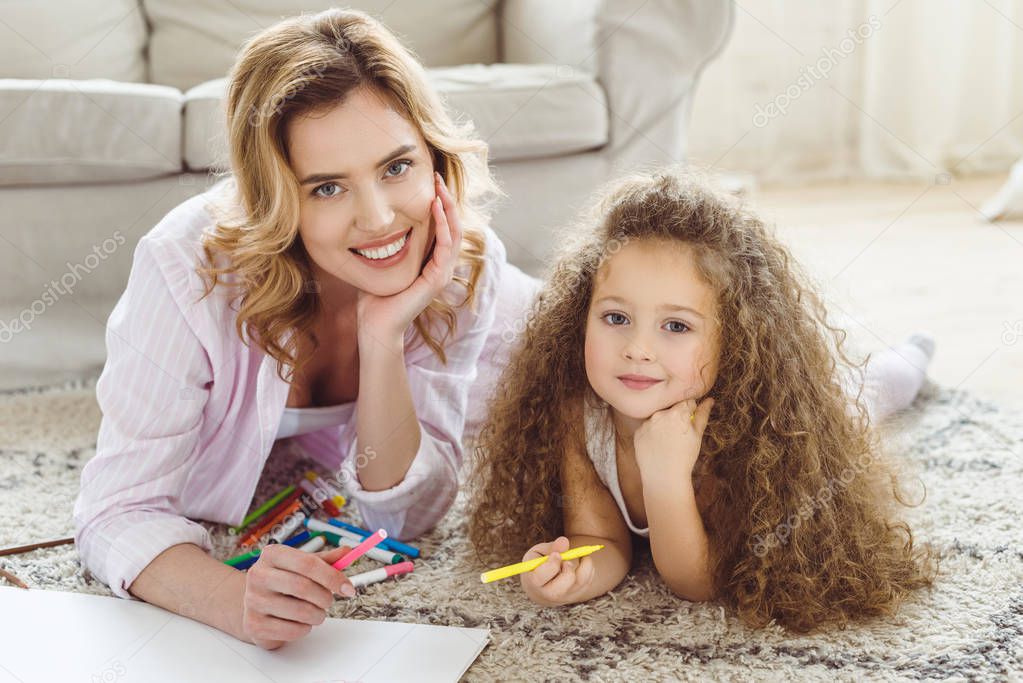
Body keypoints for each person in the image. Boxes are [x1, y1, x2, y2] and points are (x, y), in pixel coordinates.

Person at [74, 8, 536, 649]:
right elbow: (113, 512)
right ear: (275, 197)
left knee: (593, 351)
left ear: (432, 157)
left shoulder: (460, 265)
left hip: (504, 318)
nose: (377, 220)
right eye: (325, 188)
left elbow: (409, 513)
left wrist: (382, 342)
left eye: (396, 166)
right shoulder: (186, 267)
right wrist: (233, 599)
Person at [468, 168, 936, 632]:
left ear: (733, 341)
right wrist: (576, 572)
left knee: (873, 389)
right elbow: (601, 537)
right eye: (615, 317)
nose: (638, 348)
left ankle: (915, 353)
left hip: (839, 404)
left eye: (676, 326)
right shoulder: (580, 412)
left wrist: (666, 475)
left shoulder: (740, 425)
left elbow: (697, 582)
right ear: (579, 316)